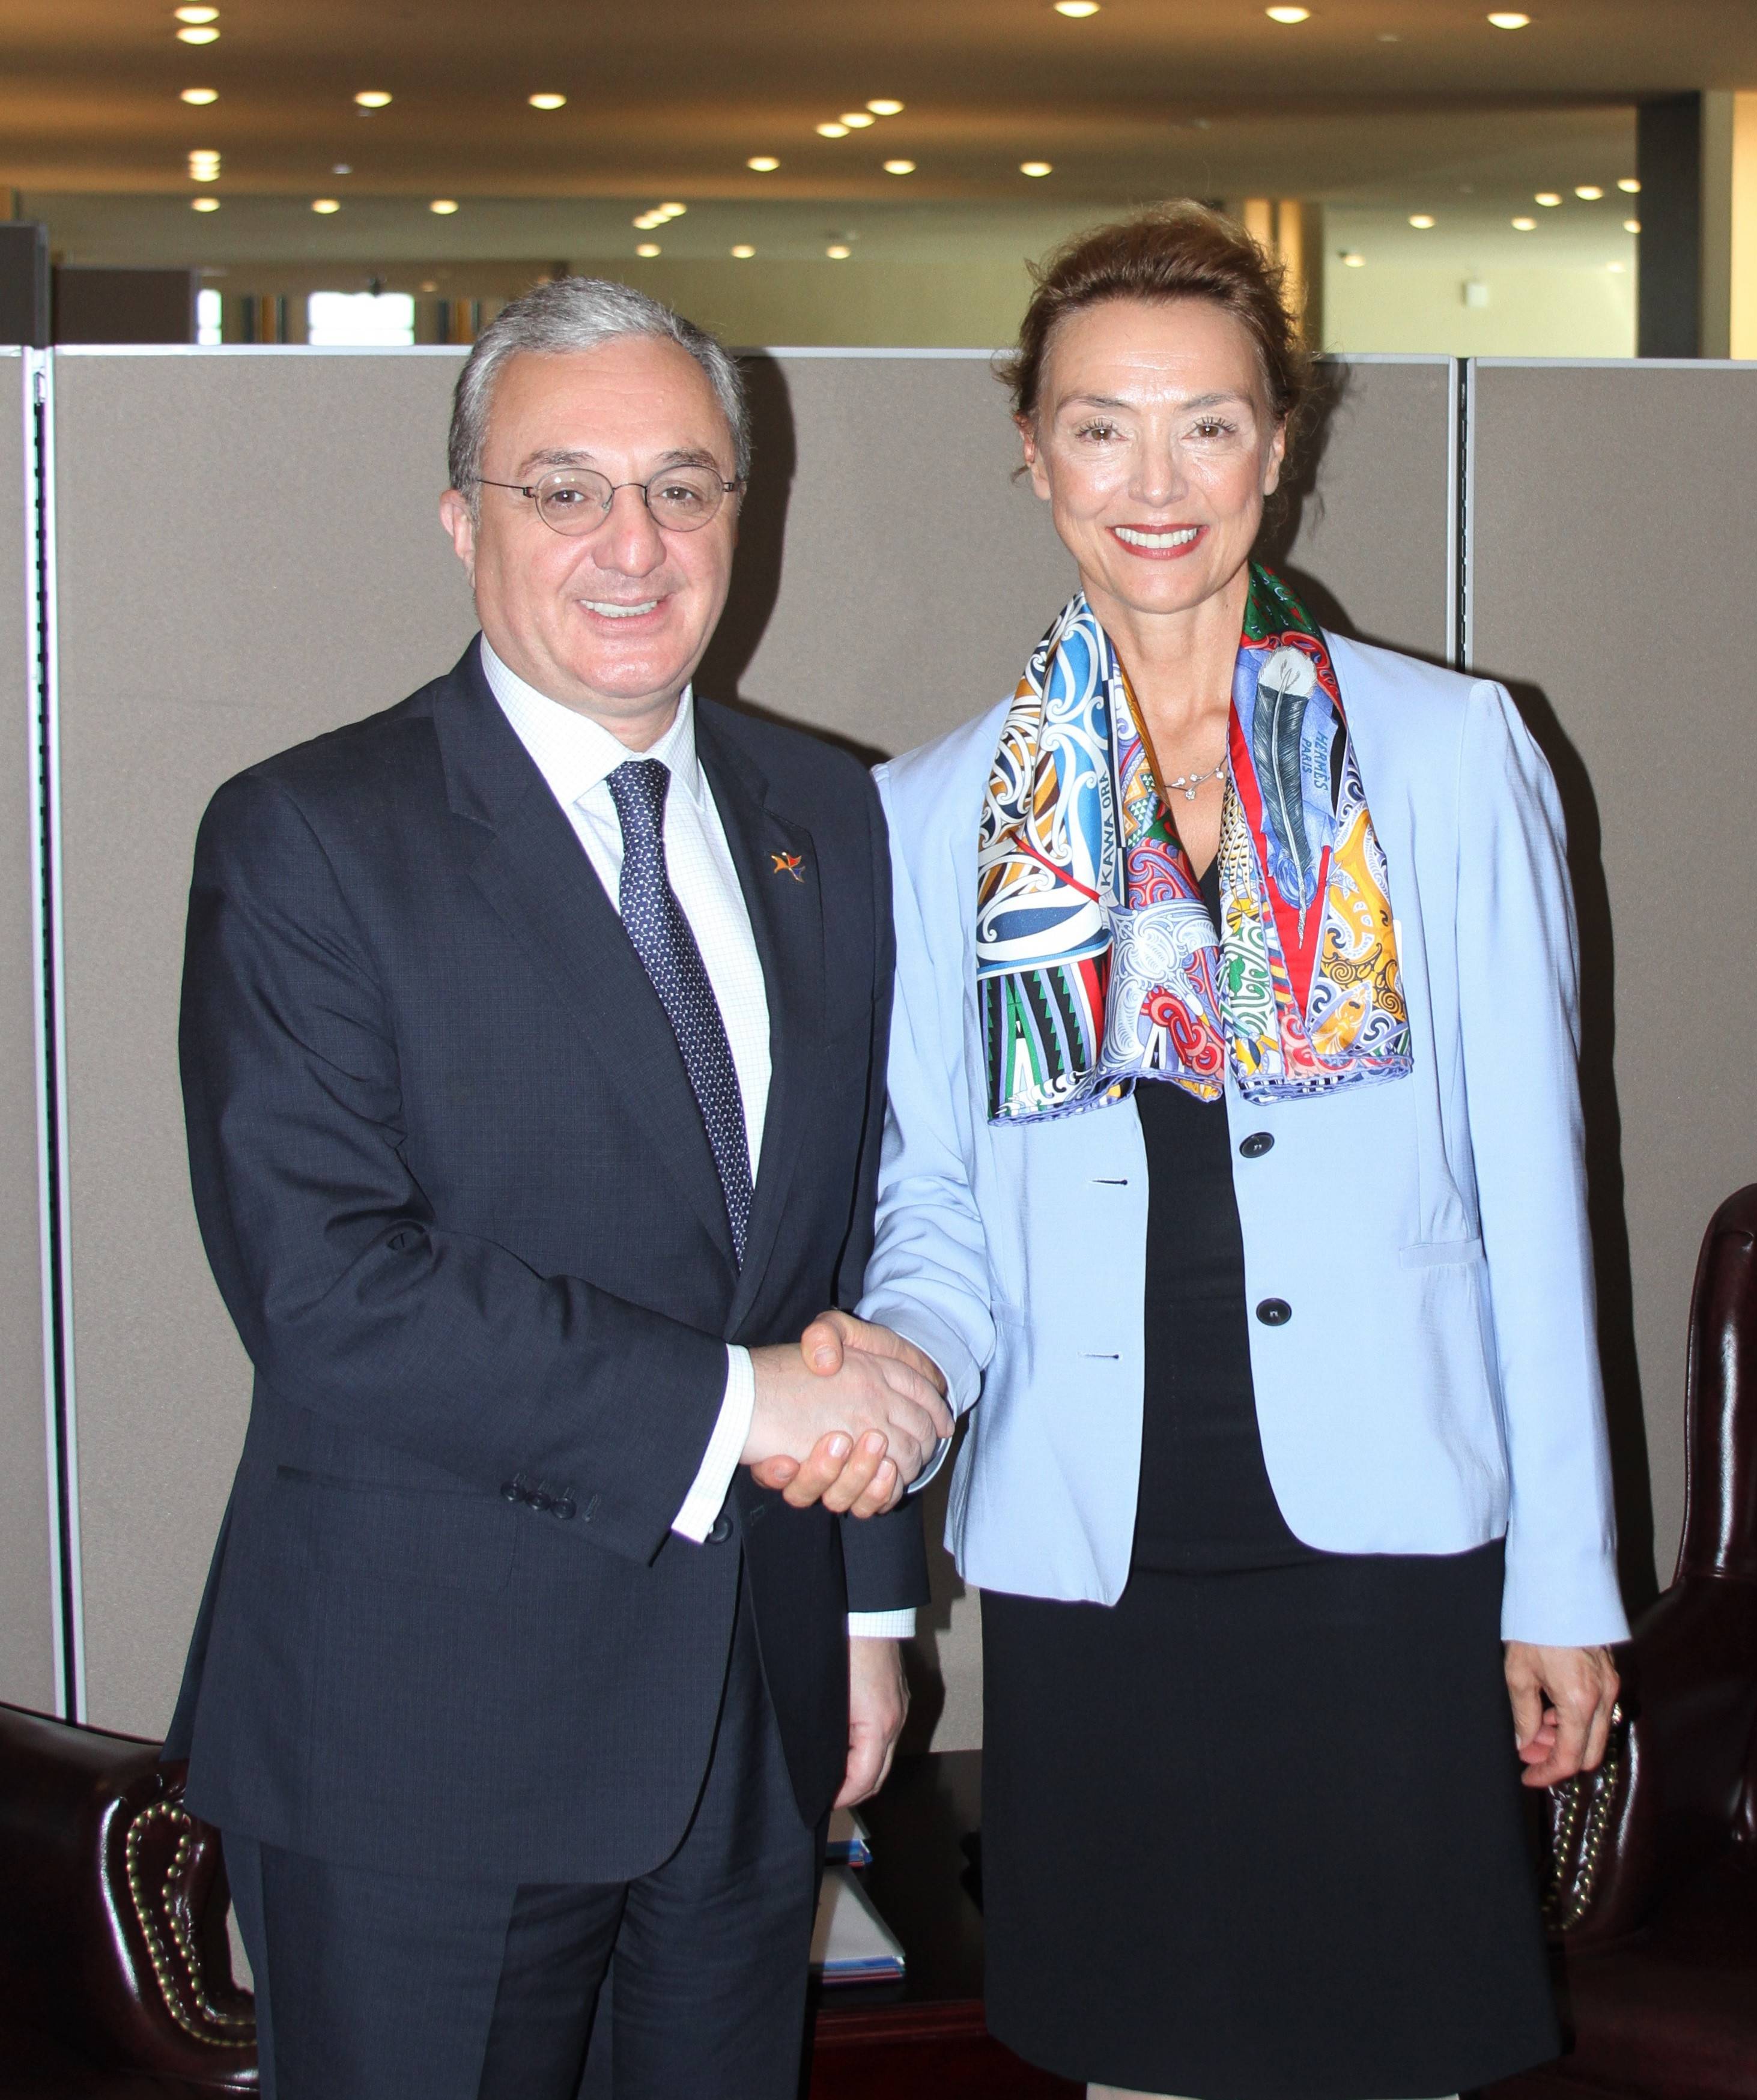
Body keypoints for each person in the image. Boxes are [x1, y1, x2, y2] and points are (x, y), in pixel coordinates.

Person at [834, 205, 1628, 2100]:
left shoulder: (1446, 754)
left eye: (1209, 424)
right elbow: (929, 1190)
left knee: (1392, 2048)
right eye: (1102, 426)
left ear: (1281, 445)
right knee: (1140, 2055)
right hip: (1098, 1543)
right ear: (1032, 454)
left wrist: (1567, 1581)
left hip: (1382, 1536)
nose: (1157, 478)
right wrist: (886, 1409)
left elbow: (1537, 1176)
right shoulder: (932, 812)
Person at [165, 276, 953, 2100]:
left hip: (750, 1722)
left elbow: (847, 1229)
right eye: (565, 488)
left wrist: (864, 1606)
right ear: (463, 522)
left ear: (739, 524)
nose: (632, 542)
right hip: (422, 1741)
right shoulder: (307, 838)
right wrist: (753, 1400)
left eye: (683, 488)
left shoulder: (829, 820)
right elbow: (328, 1290)